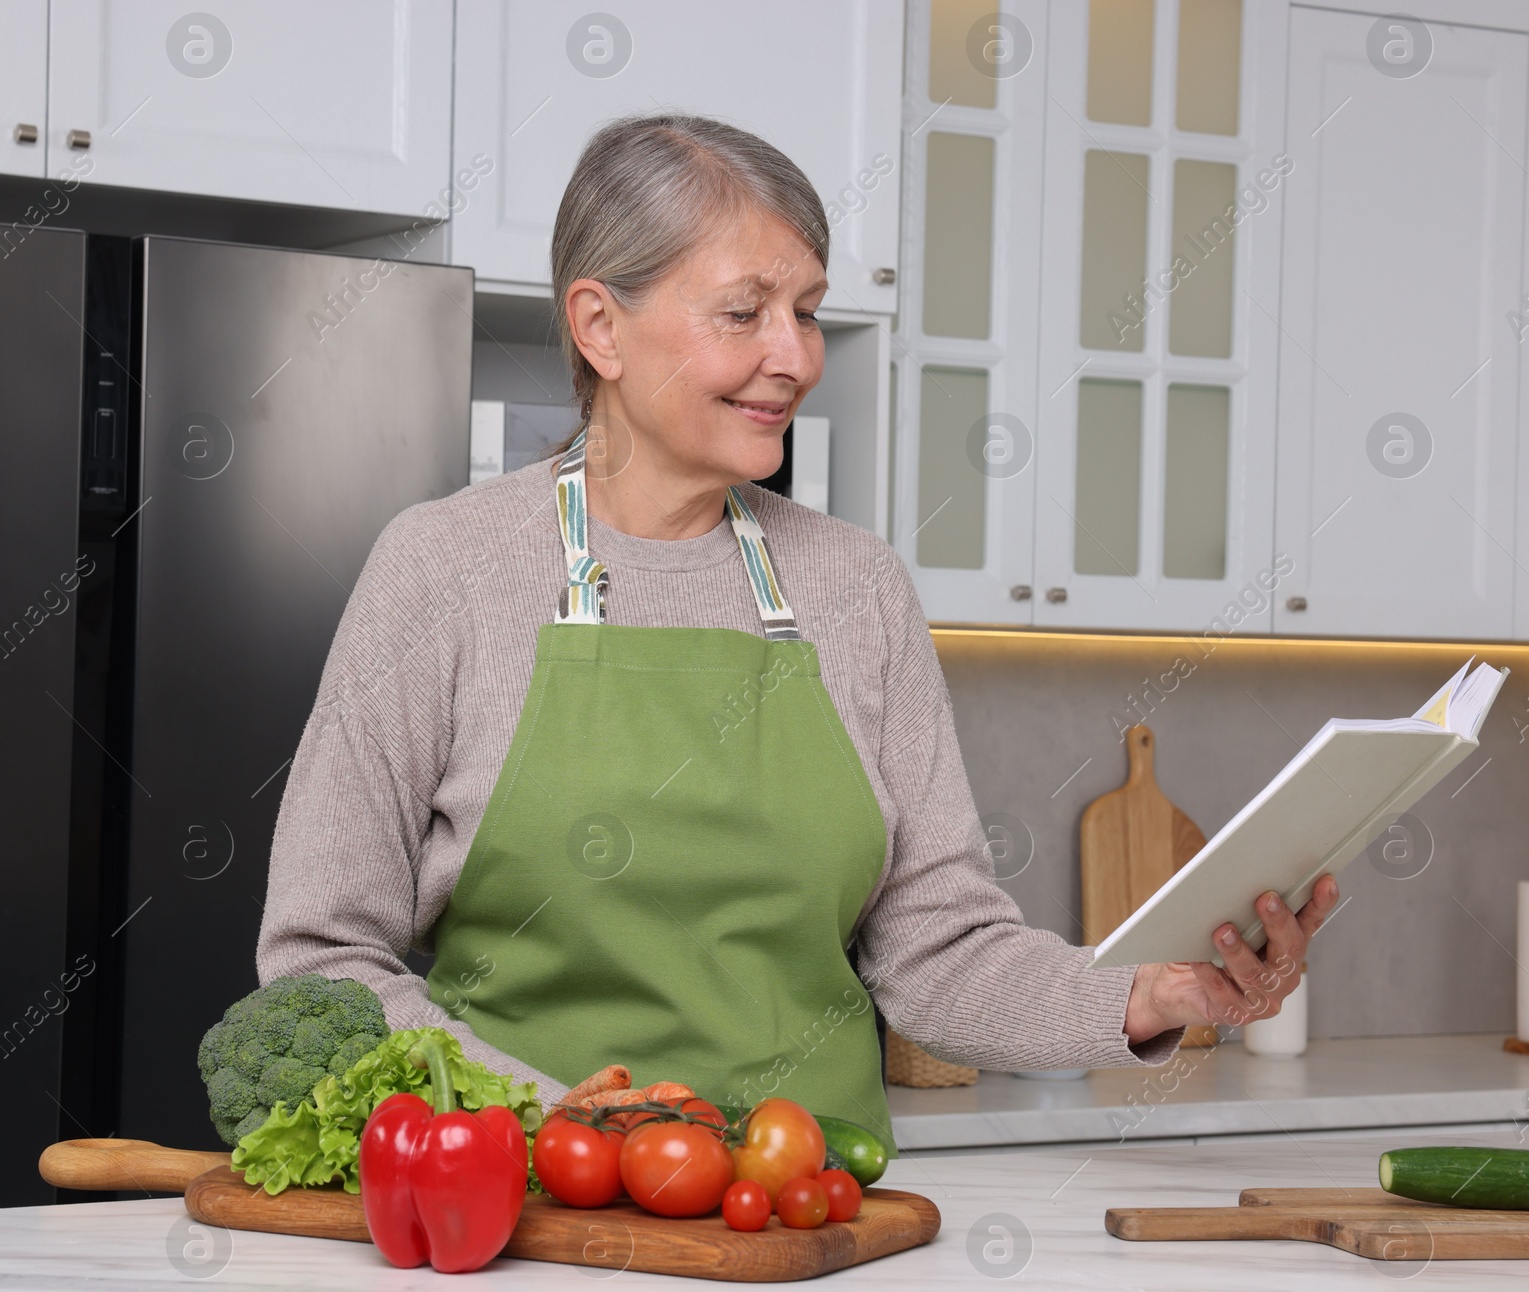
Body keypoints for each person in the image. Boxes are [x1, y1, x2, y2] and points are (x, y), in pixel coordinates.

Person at [258, 114, 1338, 1145]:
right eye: (745, 313)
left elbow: (939, 954)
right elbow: (322, 957)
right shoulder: (445, 569)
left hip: (809, 1209)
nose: (797, 357)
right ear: (600, 326)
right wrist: (544, 1118)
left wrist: (1149, 991)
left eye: (808, 310)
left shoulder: (855, 585)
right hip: (528, 1208)